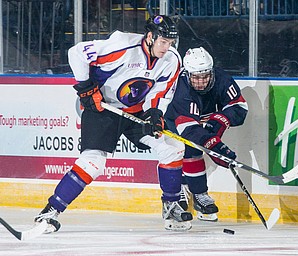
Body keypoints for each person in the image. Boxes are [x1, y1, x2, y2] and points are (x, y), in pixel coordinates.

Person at [34, 15, 193, 232]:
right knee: (93, 163)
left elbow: (161, 90)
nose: (166, 47)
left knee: (172, 149)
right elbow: (76, 53)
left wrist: (155, 113)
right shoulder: (121, 46)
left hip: (134, 112)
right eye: (163, 42)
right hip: (103, 109)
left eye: (170, 43)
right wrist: (86, 88)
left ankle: (171, 206)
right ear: (150, 36)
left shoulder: (172, 60)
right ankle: (50, 212)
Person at [165, 47, 248, 221]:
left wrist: (219, 121)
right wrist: (214, 145)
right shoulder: (182, 90)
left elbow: (239, 109)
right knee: (189, 151)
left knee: (200, 146)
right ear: (188, 74)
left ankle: (195, 192)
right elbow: (190, 132)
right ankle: (194, 192)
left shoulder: (222, 79)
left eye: (205, 76)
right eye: (196, 77)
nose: (201, 82)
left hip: (202, 120)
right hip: (174, 120)